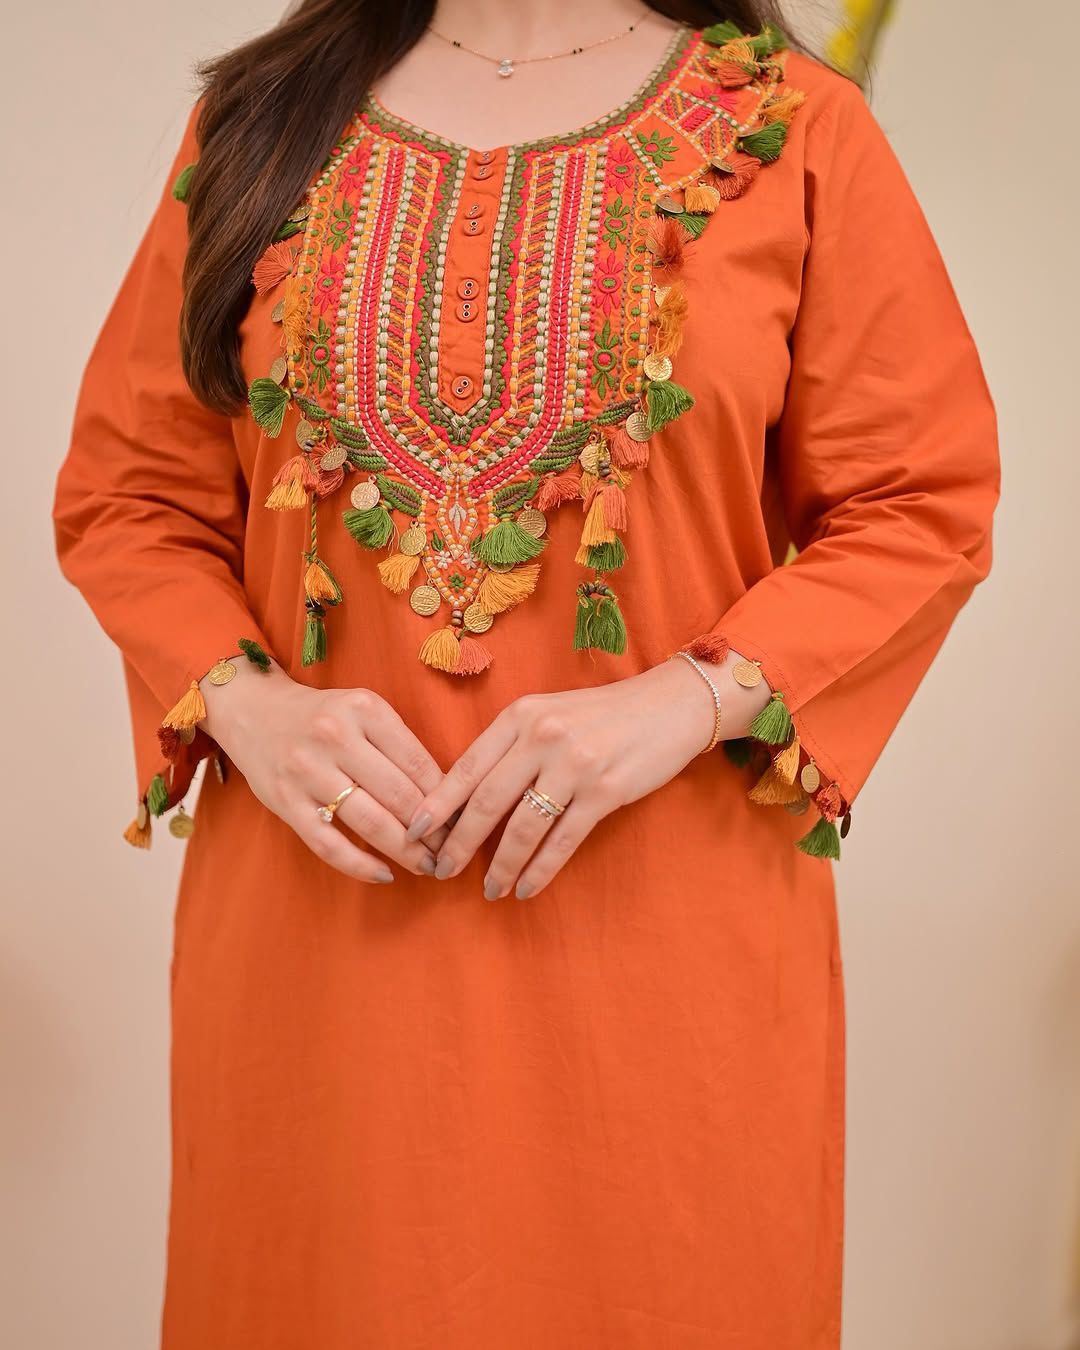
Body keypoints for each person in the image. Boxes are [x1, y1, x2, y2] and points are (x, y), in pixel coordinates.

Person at [51, 1, 1001, 1345]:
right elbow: (130, 496)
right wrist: (251, 705)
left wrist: (683, 701)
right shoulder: (263, 119)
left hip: (662, 973)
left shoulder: (792, 130)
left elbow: (922, 502)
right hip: (318, 959)